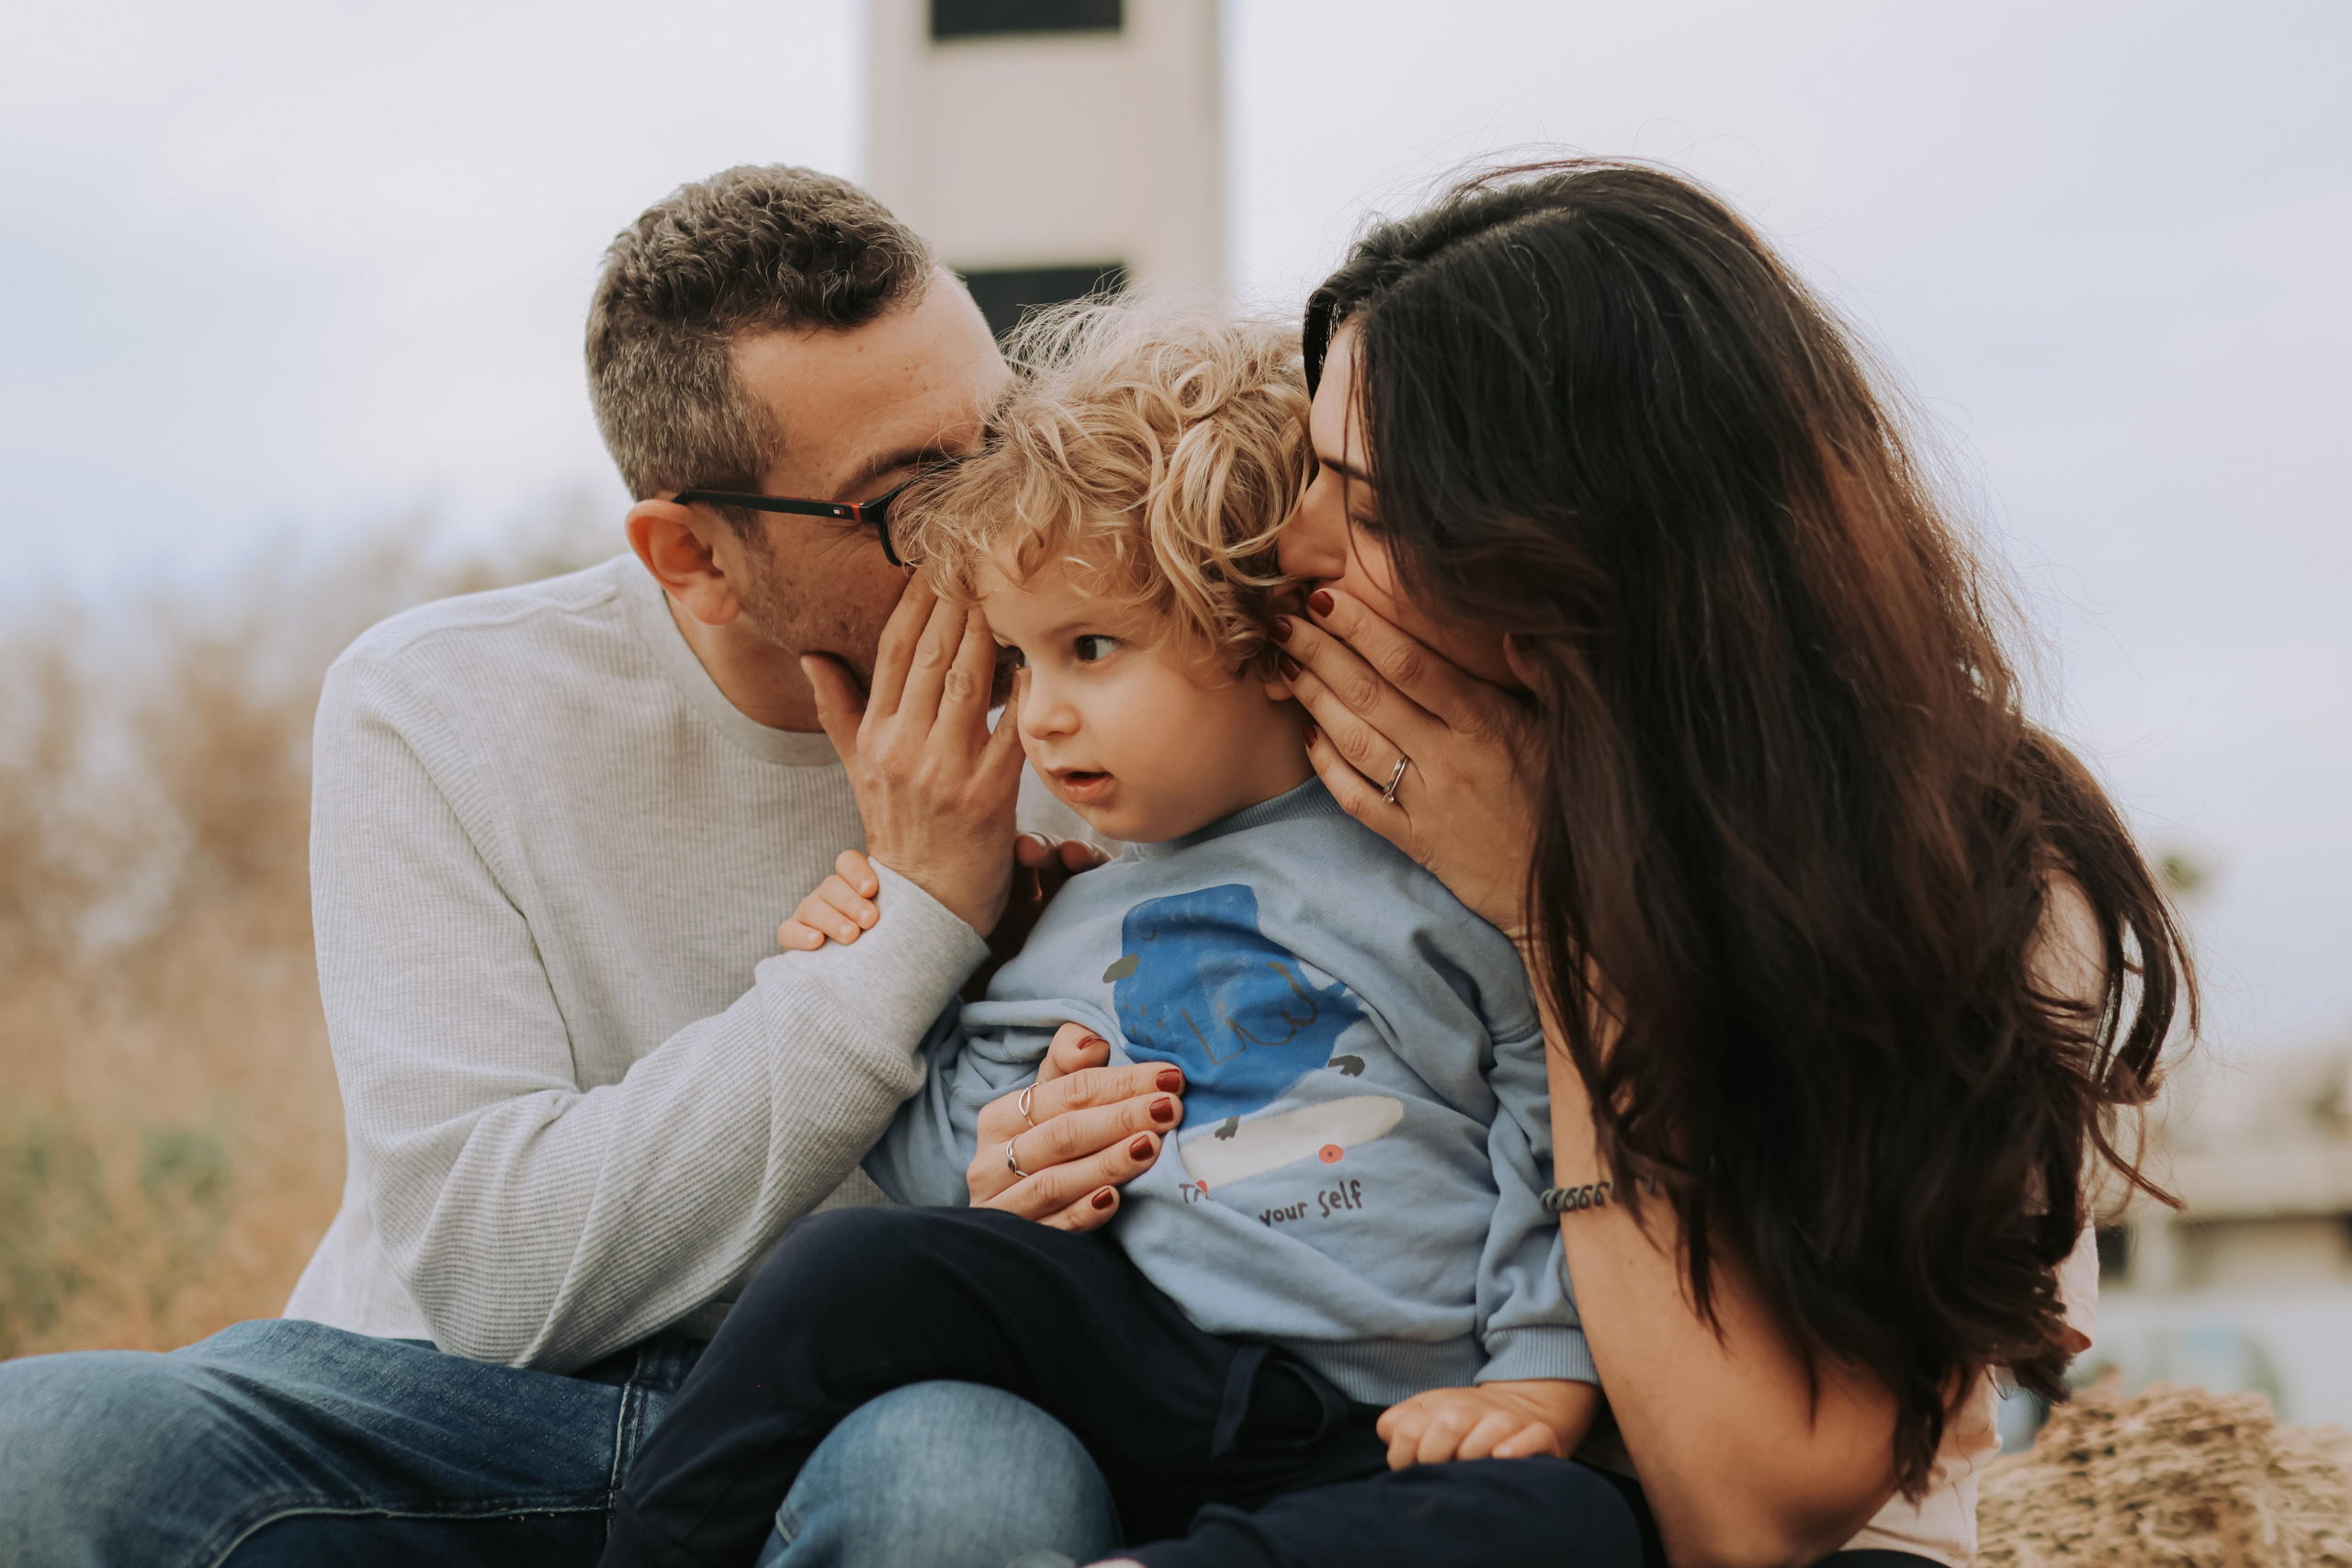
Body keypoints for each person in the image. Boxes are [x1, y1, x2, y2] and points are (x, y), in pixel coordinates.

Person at [0, 165, 1170, 1568]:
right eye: (916, 498)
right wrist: (915, 925)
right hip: (461, 1409)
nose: (999, 529)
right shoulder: (438, 703)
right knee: (45, 1444)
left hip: (875, 1400)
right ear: (692, 554)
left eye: (1007, 443)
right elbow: (495, 1273)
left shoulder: (1119, 697)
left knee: (966, 1496)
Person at [599, 300, 1641, 1568]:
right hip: (1142, 1367)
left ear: (1269, 634)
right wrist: (901, 968)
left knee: (1572, 1524)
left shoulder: (1443, 858)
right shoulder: (1070, 911)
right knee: (850, 1268)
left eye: (1091, 649)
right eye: (1022, 662)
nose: (1039, 719)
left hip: (1383, 1430)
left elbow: (1555, 1117)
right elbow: (952, 1184)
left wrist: (1538, 1374)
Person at [1263, 158, 2188, 1566]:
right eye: (1311, 469)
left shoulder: (1973, 870)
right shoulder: (1338, 778)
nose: (1294, 547)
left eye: (1373, 508)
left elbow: (1740, 1515)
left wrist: (1550, 923)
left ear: (1576, 563)